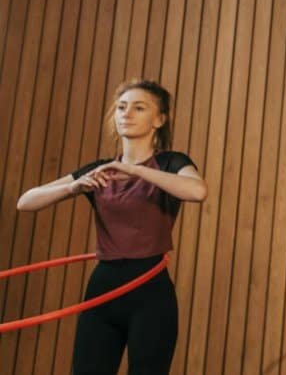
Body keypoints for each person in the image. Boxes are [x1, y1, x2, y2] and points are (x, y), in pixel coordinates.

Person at [17, 79, 207, 375]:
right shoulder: (99, 171)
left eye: (138, 107)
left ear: (159, 119)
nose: (126, 114)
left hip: (150, 294)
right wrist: (74, 187)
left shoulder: (171, 162)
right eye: (121, 107)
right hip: (103, 289)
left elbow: (197, 191)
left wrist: (134, 170)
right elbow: (25, 202)